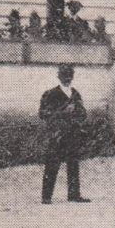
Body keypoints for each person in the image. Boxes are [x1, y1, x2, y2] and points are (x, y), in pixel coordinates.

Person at [39, 65, 91, 204]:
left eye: (70, 76)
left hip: (72, 133)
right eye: (64, 75)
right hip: (57, 134)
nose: (67, 79)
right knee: (52, 164)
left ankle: (74, 194)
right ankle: (46, 196)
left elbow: (83, 114)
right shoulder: (50, 94)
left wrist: (77, 114)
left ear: (72, 77)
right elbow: (43, 113)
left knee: (73, 164)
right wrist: (63, 112)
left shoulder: (75, 94)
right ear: (59, 77)